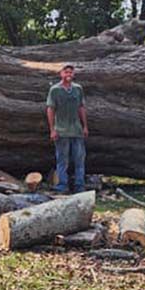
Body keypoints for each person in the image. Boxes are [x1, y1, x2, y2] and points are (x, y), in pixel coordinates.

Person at [46, 63, 89, 194]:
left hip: (77, 130)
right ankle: (62, 185)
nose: (68, 74)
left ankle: (79, 185)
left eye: (71, 72)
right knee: (62, 160)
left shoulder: (77, 89)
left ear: (73, 74)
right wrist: (52, 129)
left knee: (79, 159)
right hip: (61, 131)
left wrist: (85, 126)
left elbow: (81, 108)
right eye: (66, 72)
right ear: (61, 74)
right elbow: (50, 109)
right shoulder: (55, 90)